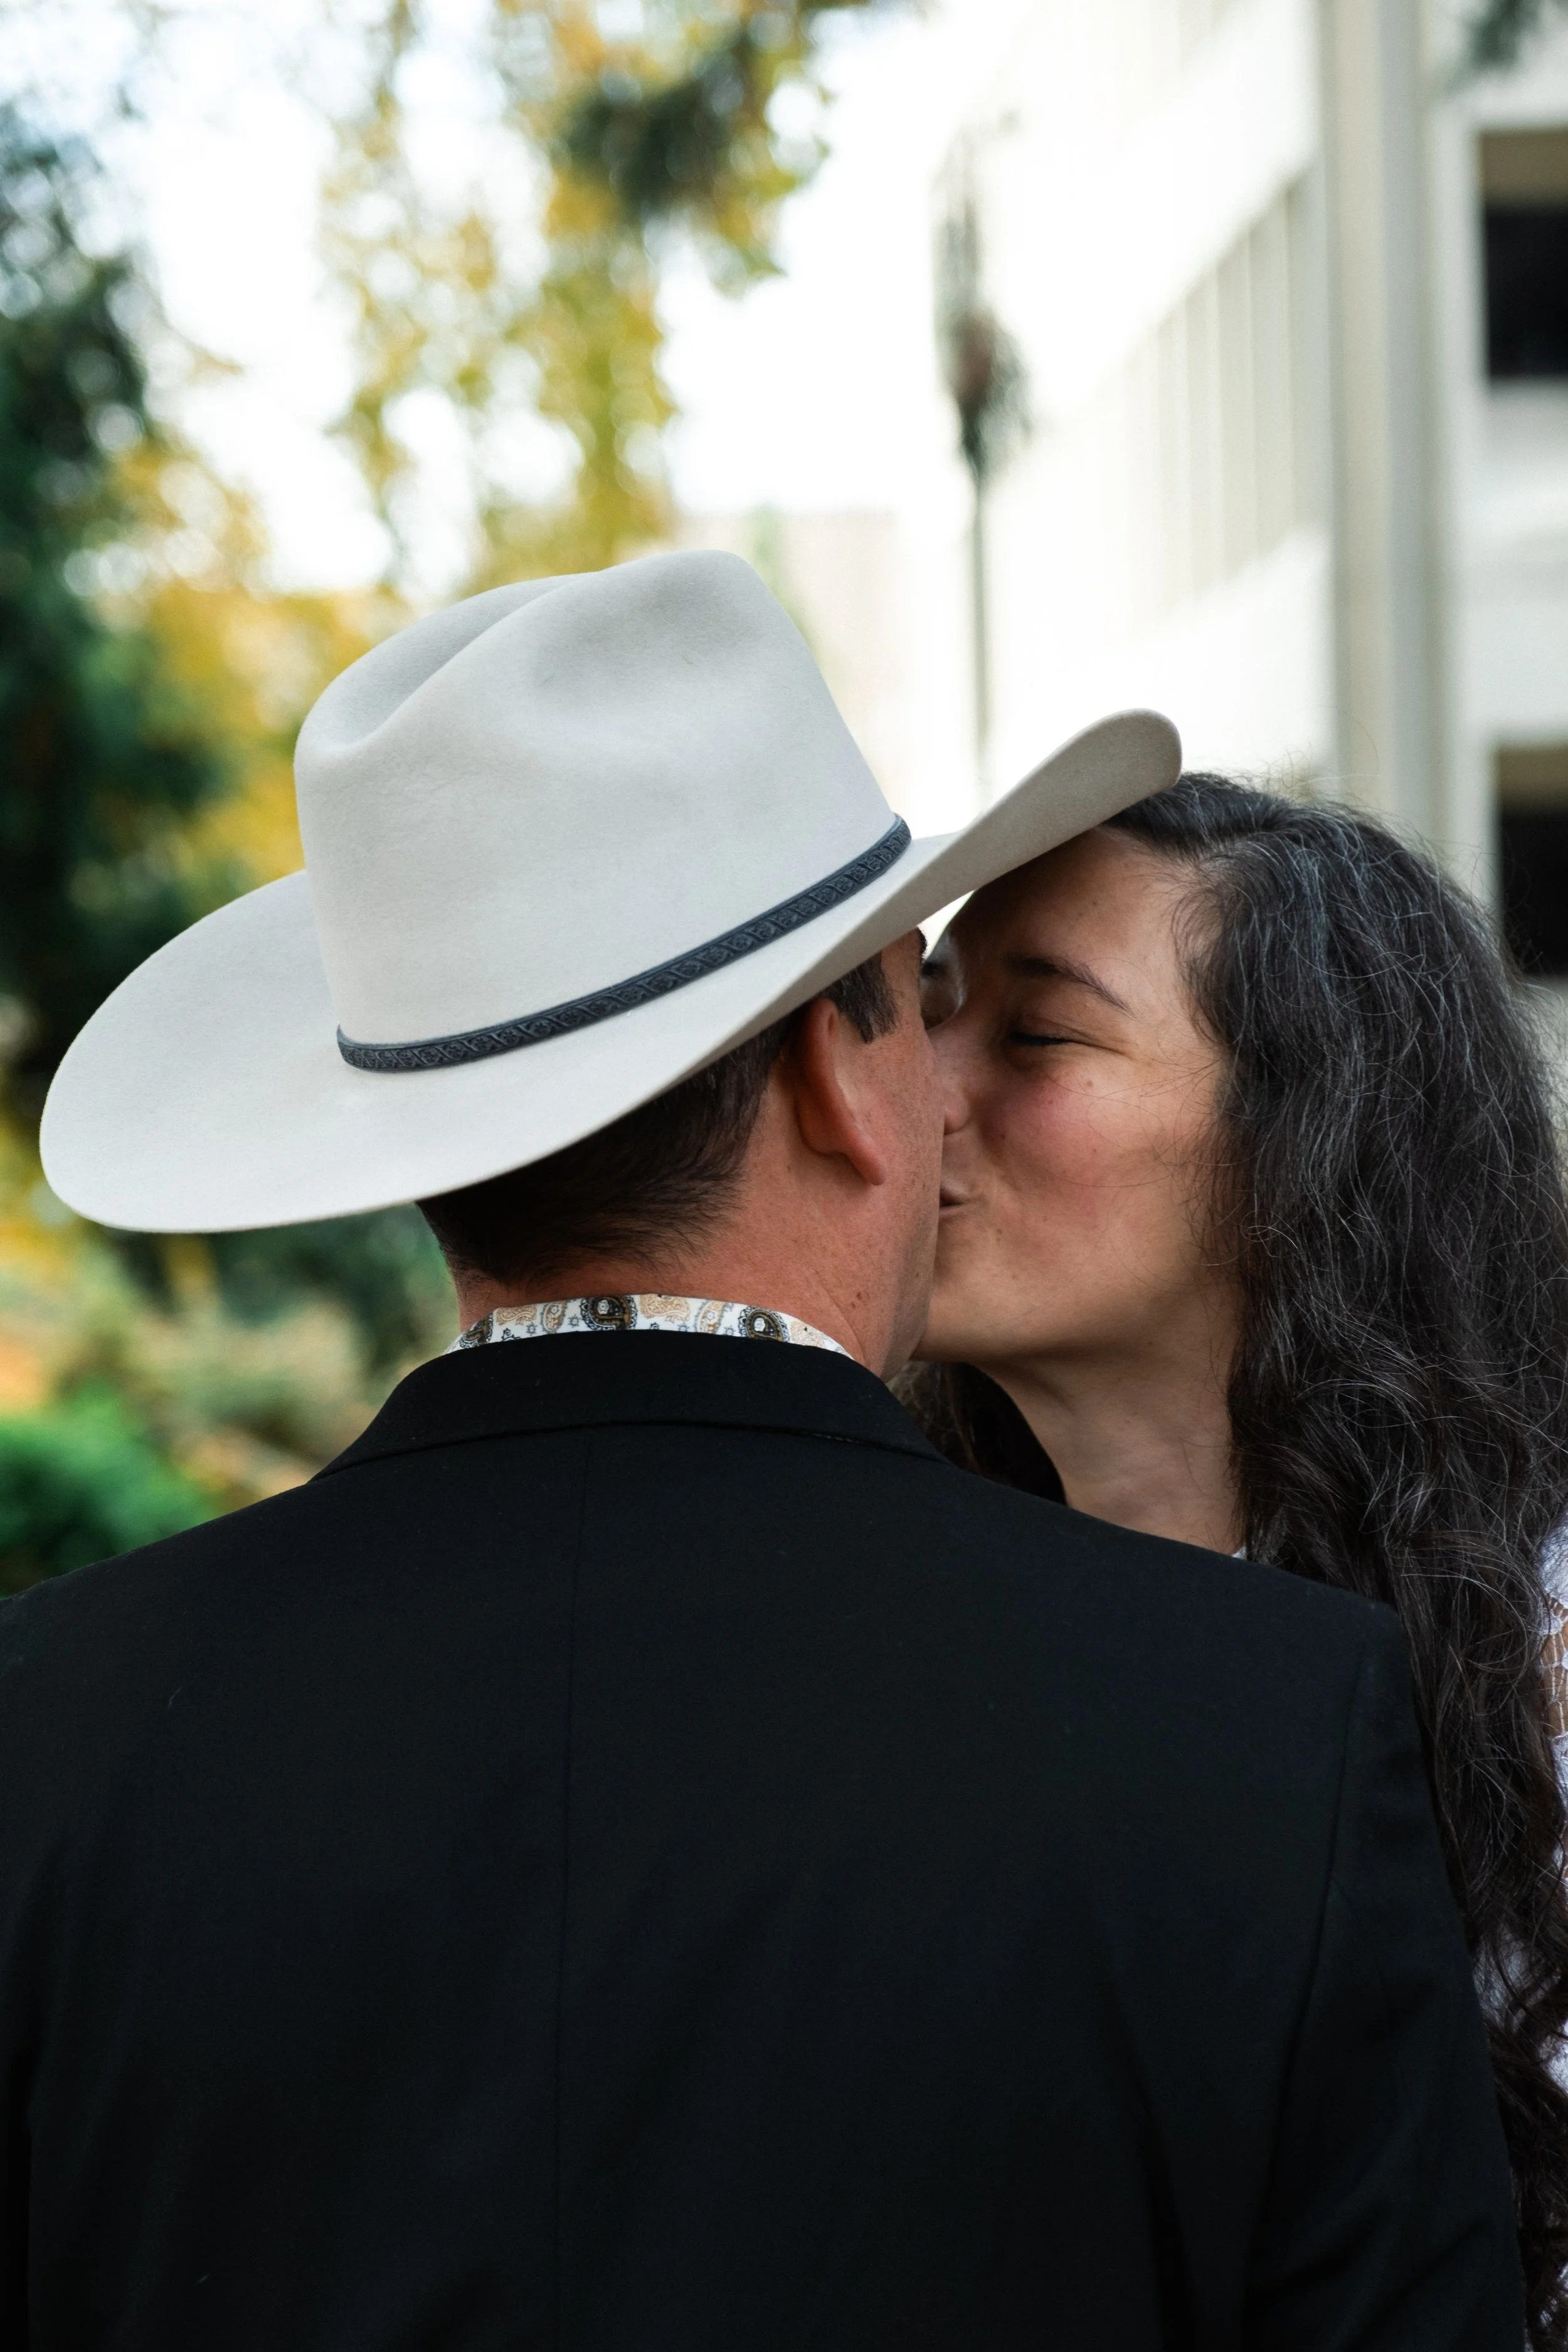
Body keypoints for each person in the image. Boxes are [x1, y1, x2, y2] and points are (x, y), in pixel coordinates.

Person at [0, 562, 1520, 2348]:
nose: (951, 1085)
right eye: (914, 994)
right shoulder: (1262, 1732)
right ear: (828, 1067)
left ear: (422, 1141)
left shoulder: (47, 1726)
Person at [910, 769, 1568, 2352]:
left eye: (1034, 1035)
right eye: (920, 1017)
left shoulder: (1544, 1662)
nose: (912, 1097)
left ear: (1310, 1133)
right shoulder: (890, 1634)